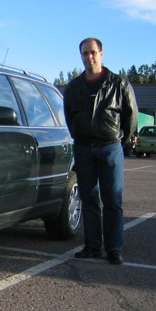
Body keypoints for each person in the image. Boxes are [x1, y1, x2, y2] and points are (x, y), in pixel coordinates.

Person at [63, 38, 138, 265]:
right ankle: (93, 246)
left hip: (110, 147)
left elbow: (131, 116)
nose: (89, 57)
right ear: (81, 56)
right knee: (89, 199)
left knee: (112, 199)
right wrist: (80, 136)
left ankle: (114, 248)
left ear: (101, 54)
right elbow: (70, 117)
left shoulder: (118, 84)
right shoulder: (74, 88)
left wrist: (121, 140)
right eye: (85, 53)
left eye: (93, 52)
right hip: (84, 149)